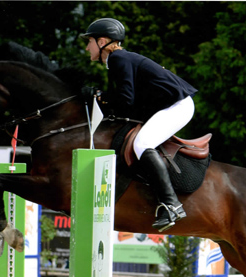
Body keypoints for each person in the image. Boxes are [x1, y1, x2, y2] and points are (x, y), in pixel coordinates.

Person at [81, 18, 198, 232]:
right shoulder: (116, 61)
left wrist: (100, 95)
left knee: (142, 144)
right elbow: (124, 103)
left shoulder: (118, 59)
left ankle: (171, 204)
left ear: (103, 41)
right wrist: (100, 96)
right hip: (169, 105)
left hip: (178, 106)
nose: (87, 47)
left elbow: (125, 99)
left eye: (89, 41)